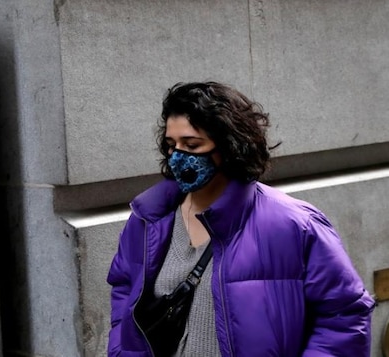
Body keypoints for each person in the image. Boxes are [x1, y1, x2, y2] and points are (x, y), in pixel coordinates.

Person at [107, 82, 374, 356]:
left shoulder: (294, 225)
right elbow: (124, 290)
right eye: (171, 144)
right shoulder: (147, 218)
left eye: (191, 144)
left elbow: (345, 316)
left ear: (229, 146)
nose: (177, 156)